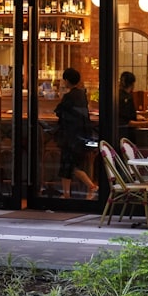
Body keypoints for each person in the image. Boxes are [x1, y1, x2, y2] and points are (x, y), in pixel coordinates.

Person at [55, 67, 98, 199]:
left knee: (69, 166)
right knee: (71, 166)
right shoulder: (82, 95)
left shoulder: (69, 97)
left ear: (66, 80)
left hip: (70, 136)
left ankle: (91, 186)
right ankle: (66, 194)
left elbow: (58, 111)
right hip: (81, 135)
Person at [118, 71, 138, 142]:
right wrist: (145, 124)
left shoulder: (117, 95)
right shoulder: (127, 98)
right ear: (132, 84)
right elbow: (127, 122)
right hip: (126, 135)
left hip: (120, 135)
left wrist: (137, 117)